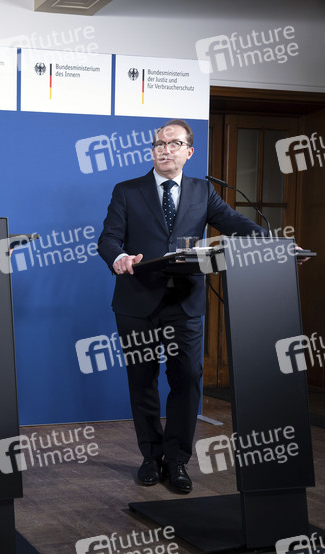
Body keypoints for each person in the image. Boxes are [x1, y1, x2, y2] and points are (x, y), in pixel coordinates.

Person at [97, 119, 267, 493]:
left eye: (173, 143)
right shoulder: (127, 190)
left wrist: (274, 243)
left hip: (185, 303)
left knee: (187, 379)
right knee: (142, 381)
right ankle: (150, 456)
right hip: (137, 302)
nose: (164, 149)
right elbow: (108, 238)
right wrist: (120, 258)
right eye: (159, 143)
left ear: (189, 151)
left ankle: (176, 460)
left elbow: (234, 223)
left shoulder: (203, 191)